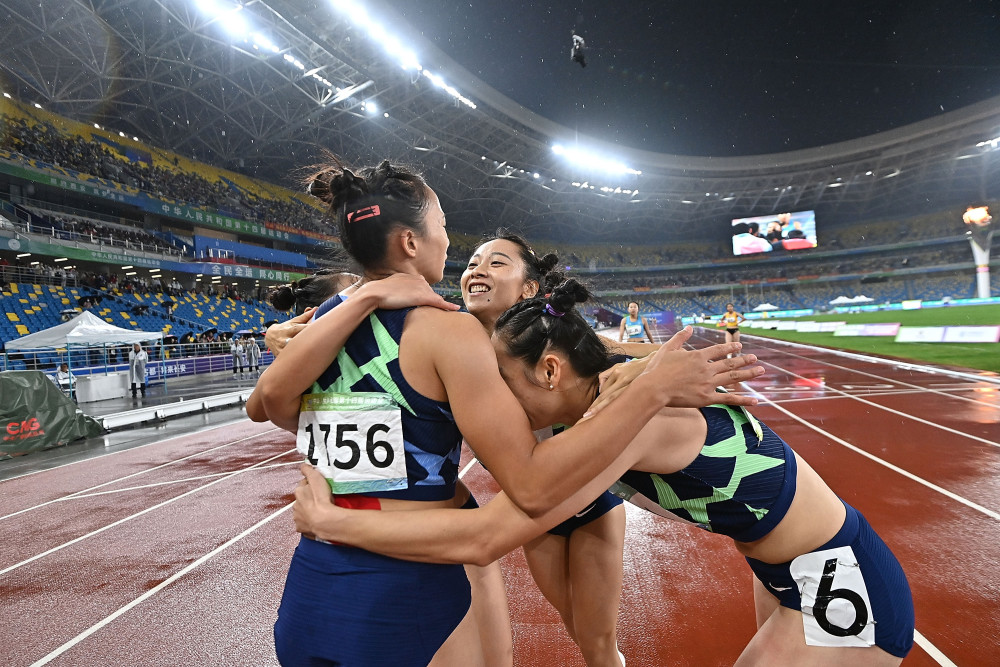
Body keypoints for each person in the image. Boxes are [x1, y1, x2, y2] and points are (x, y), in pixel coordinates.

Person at [252, 158, 762, 666]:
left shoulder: (333, 324)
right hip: (419, 571)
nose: (461, 256)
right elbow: (525, 493)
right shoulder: (449, 330)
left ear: (530, 288)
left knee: (593, 636)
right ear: (411, 242)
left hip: (320, 573)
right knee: (568, 622)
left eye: (496, 263)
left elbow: (267, 404)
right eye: (449, 233)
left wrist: (647, 369)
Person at [293, 280, 915, 666]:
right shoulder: (602, 395)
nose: (492, 404)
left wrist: (333, 523)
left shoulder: (624, 422)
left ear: (550, 373)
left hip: (841, 586)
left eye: (502, 387)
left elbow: (483, 539)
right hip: (786, 578)